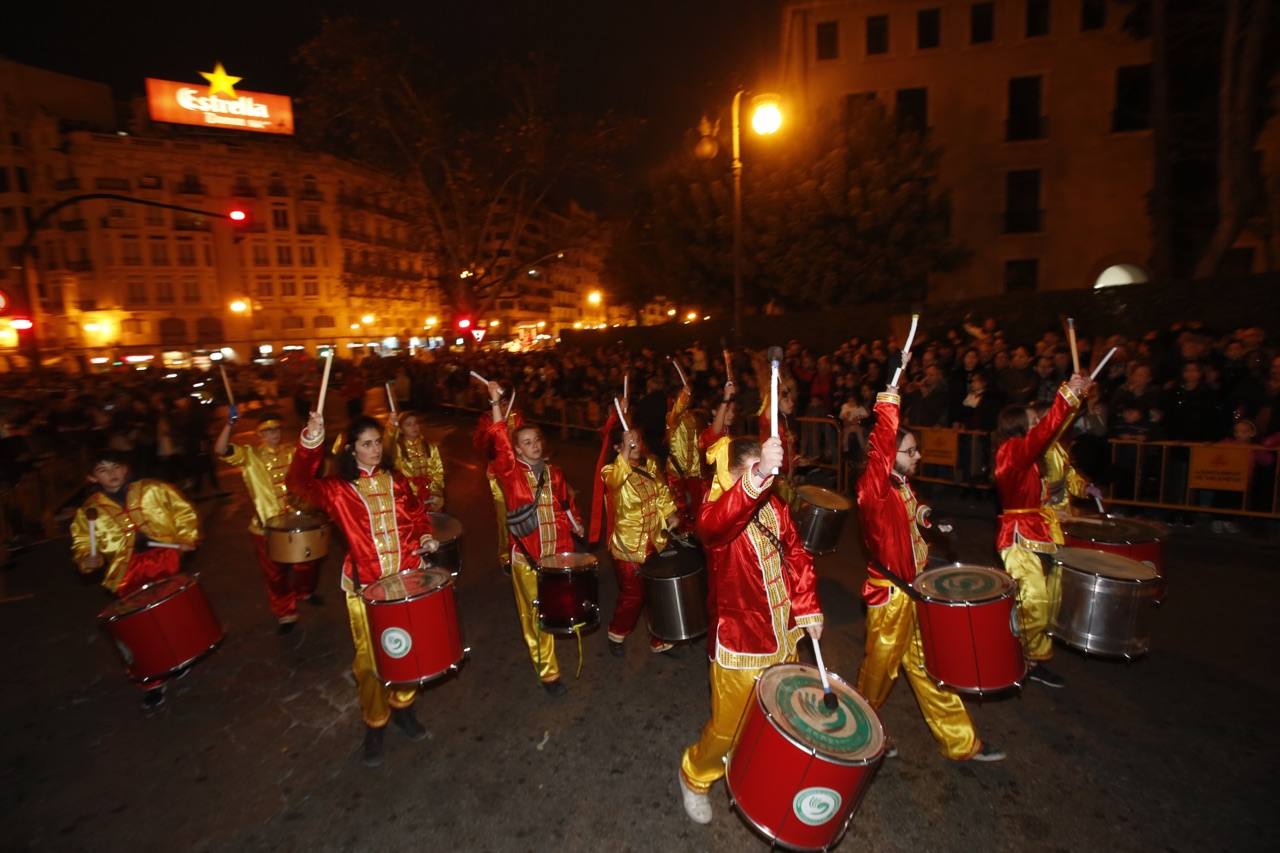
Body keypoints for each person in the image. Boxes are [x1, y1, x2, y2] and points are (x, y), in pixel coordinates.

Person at [854, 356, 1003, 763]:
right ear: (889, 455)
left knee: (928, 667)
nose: (917, 456)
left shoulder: (900, 485)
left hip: (914, 593)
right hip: (890, 599)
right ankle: (856, 733)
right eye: (910, 451)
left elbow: (913, 509)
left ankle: (961, 741)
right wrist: (891, 391)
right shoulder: (873, 487)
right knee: (876, 678)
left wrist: (930, 517)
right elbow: (882, 446)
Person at [677, 434, 823, 825]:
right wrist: (756, 477)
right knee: (727, 728)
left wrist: (807, 608)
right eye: (759, 469)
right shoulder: (715, 511)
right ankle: (694, 775)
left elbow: (796, 552)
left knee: (779, 717)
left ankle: (761, 776)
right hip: (740, 644)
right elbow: (713, 528)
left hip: (783, 635)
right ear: (735, 472)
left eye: (770, 469)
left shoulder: (773, 506)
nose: (770, 477)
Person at [288, 412, 437, 767]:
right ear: (351, 450)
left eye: (377, 443)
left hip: (407, 578)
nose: (374, 449)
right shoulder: (337, 489)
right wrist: (311, 441)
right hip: (365, 586)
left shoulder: (396, 480)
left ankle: (403, 707)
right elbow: (298, 483)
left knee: (406, 650)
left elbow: (417, 514)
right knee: (368, 660)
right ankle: (375, 722)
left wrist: (426, 535)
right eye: (366, 444)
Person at [69, 450, 201, 709]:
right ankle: (151, 681)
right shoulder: (89, 511)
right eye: (103, 470)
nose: (112, 474)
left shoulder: (153, 488)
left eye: (115, 466)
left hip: (165, 558)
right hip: (126, 571)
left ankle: (177, 657)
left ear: (126, 468)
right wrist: (87, 559)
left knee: (171, 615)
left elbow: (184, 512)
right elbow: (82, 544)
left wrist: (187, 537)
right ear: (91, 477)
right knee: (139, 629)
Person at [484, 381, 584, 696]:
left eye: (536, 440)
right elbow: (499, 441)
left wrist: (577, 524)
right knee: (535, 615)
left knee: (557, 608)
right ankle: (548, 673)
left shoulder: (554, 472)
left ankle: (550, 655)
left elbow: (566, 503)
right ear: (516, 450)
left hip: (558, 552)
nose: (534, 446)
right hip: (528, 558)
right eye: (526, 442)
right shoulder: (510, 473)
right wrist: (495, 404)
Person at [993, 373, 1089, 689]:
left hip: (1038, 530)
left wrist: (1074, 398)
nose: (1039, 424)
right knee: (1035, 600)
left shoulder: (1028, 455)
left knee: (1046, 599)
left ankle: (1032, 657)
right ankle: (1016, 653)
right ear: (1019, 425)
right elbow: (1048, 429)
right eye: (1034, 420)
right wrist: (1067, 396)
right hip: (1018, 534)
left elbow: (1054, 428)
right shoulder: (1012, 451)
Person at [214, 409, 320, 634]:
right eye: (268, 430)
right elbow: (220, 450)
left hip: (296, 521)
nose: (273, 434)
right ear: (259, 434)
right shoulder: (249, 455)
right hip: (266, 528)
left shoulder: (290, 451)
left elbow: (308, 459)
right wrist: (229, 425)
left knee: (307, 562)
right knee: (275, 573)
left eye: (277, 429)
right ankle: (286, 612)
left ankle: (304, 591)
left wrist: (313, 432)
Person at [597, 401, 681, 657]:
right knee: (634, 595)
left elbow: (662, 494)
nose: (635, 446)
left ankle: (658, 639)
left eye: (637, 440)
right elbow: (613, 480)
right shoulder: (611, 471)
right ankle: (617, 632)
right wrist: (625, 449)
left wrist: (671, 513)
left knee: (656, 593)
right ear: (617, 448)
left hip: (655, 541)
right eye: (628, 442)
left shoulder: (651, 466)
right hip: (628, 547)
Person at [473, 402, 523, 573]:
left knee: (522, 515)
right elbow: (479, 444)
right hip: (497, 475)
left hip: (519, 474)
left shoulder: (516, 417)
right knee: (504, 519)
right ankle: (505, 557)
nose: (503, 407)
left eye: (506, 403)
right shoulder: (486, 419)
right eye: (500, 403)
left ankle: (523, 553)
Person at [387, 409, 446, 510]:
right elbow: (387, 445)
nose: (414, 427)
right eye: (408, 424)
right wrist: (391, 426)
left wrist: (435, 491)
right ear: (401, 429)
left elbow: (438, 471)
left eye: (416, 423)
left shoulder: (430, 447)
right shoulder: (397, 449)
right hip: (408, 497)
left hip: (430, 495)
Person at [665, 383, 704, 526]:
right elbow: (677, 410)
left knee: (697, 503)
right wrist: (684, 395)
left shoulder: (694, 417)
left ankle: (695, 531)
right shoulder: (672, 418)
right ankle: (681, 531)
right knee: (679, 503)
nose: (687, 399)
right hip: (676, 469)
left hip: (693, 470)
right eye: (682, 397)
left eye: (689, 396)